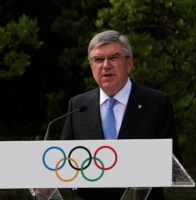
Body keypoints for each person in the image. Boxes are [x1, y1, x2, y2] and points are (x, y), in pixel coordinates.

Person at [61, 30, 182, 200]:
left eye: (114, 58)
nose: (106, 65)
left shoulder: (156, 103)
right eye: (98, 59)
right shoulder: (78, 105)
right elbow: (64, 161)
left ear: (129, 63)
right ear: (91, 67)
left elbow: (173, 163)